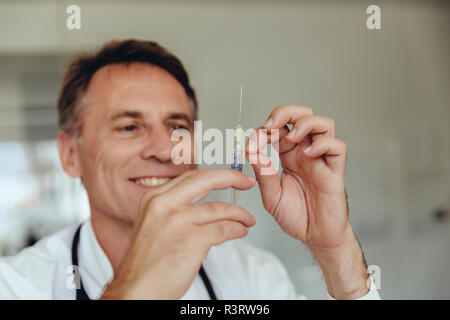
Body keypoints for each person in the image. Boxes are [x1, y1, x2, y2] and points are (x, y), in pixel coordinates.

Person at [0, 39, 380, 300]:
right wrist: (133, 288)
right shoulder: (17, 285)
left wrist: (334, 248)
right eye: (129, 126)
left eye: (178, 127)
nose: (165, 150)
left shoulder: (252, 275)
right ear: (70, 156)